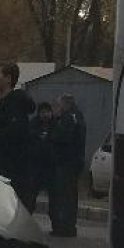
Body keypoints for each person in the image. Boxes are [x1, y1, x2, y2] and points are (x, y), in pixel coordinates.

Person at [0, 62, 35, 205]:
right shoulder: (3, 106)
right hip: (0, 170)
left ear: (8, 78)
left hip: (11, 174)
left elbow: (12, 138)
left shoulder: (14, 106)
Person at [49, 94, 87, 237]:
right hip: (75, 161)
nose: (57, 108)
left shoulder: (68, 118)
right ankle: (69, 226)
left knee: (64, 195)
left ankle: (64, 227)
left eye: (59, 105)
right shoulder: (79, 116)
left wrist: (52, 135)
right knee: (71, 195)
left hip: (66, 162)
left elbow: (61, 137)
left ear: (65, 105)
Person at [25, 102, 55, 213]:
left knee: (54, 197)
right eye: (43, 112)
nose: (45, 115)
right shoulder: (33, 124)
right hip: (35, 165)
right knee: (31, 195)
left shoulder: (55, 123)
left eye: (47, 112)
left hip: (50, 165)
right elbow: (29, 139)